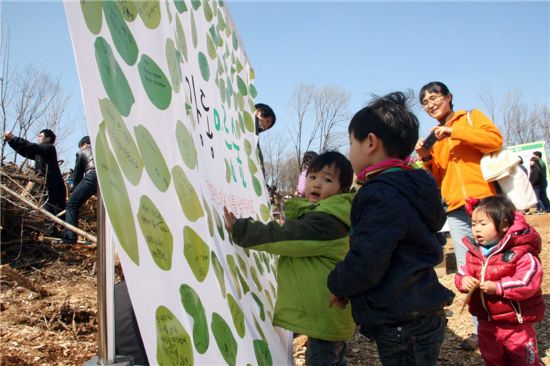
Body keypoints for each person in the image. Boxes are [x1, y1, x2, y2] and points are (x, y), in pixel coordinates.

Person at [327, 92, 454, 366]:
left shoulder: (380, 194)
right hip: (423, 308)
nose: (349, 151)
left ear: (370, 142)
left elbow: (368, 258)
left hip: (401, 318)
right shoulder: (414, 184)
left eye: (351, 143)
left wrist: (339, 284)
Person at [224, 151, 356, 366]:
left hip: (326, 318)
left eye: (327, 179)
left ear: (342, 190)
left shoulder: (327, 222)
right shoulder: (329, 215)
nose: (317, 184)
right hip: (329, 317)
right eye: (312, 177)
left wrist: (242, 229)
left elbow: (286, 237)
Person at [415, 81, 503, 350]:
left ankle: (507, 322)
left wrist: (455, 131)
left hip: (485, 201)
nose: (431, 104)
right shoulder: (434, 136)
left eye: (434, 97)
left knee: (498, 262)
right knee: (469, 269)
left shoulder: (471, 118)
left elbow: (494, 141)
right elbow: (437, 178)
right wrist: (427, 158)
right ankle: (481, 330)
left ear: (449, 97)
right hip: (455, 207)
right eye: (425, 102)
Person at [455, 196, 544, 366]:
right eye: (473, 224)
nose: (476, 230)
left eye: (483, 224)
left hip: (516, 324)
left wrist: (499, 287)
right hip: (486, 322)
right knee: (492, 358)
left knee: (522, 360)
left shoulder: (520, 252)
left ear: (504, 225)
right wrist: (464, 280)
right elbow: (461, 273)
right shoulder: (474, 252)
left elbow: (528, 282)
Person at [4, 129, 66, 235]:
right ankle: (51, 234)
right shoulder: (39, 152)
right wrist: (11, 142)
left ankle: (67, 235)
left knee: (58, 211)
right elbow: (25, 152)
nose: (38, 137)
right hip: (45, 187)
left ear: (48, 138)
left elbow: (31, 147)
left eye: (41, 136)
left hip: (55, 186)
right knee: (46, 212)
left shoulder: (49, 148)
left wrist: (14, 138)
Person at [61, 136, 97, 244]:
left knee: (72, 205)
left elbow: (77, 175)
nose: (81, 149)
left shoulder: (83, 152)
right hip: (106, 176)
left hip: (92, 176)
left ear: (85, 144)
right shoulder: (102, 148)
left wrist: (74, 192)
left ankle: (69, 237)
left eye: (81, 147)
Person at [254, 103, 276, 175]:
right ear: (258, 112)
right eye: (267, 121)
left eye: (268, 127)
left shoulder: (255, 137)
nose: (265, 127)